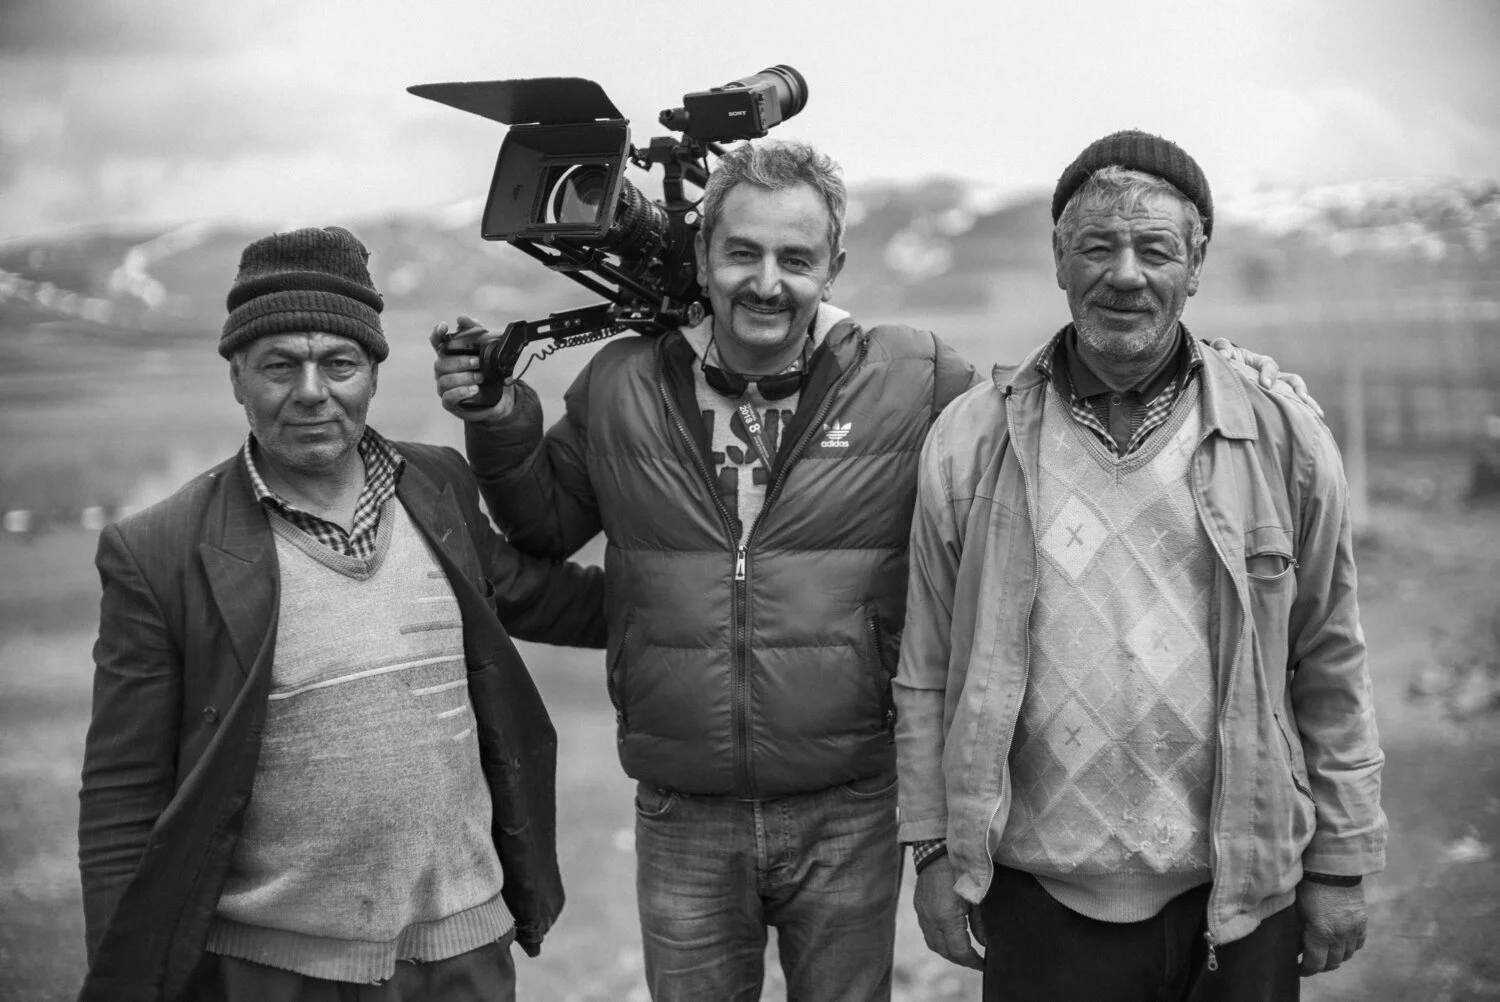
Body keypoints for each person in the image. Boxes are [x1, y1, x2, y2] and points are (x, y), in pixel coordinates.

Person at [431, 139, 1304, 1001]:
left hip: (848, 804)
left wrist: (1219, 375)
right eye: (741, 253)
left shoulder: (913, 375)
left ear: (834, 267)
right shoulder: (621, 383)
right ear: (701, 258)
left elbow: (1048, 403)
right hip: (681, 807)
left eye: (795, 258)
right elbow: (544, 524)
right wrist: (498, 418)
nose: (767, 283)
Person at [895, 131, 1387, 1002]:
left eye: (1155, 249)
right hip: (1038, 899)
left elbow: (1331, 661)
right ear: (1059, 259)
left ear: (1195, 267)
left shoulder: (1281, 436)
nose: (1126, 274)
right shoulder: (971, 440)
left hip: (1238, 899)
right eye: (1098, 246)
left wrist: (1341, 862)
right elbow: (928, 670)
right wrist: (934, 849)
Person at [77, 225, 605, 1002]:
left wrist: (723, 590)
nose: (312, 391)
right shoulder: (161, 550)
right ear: (237, 377)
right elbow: (123, 794)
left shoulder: (439, 486)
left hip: (466, 953)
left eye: (339, 363)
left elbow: (553, 600)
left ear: (373, 374)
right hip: (272, 971)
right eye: (279, 365)